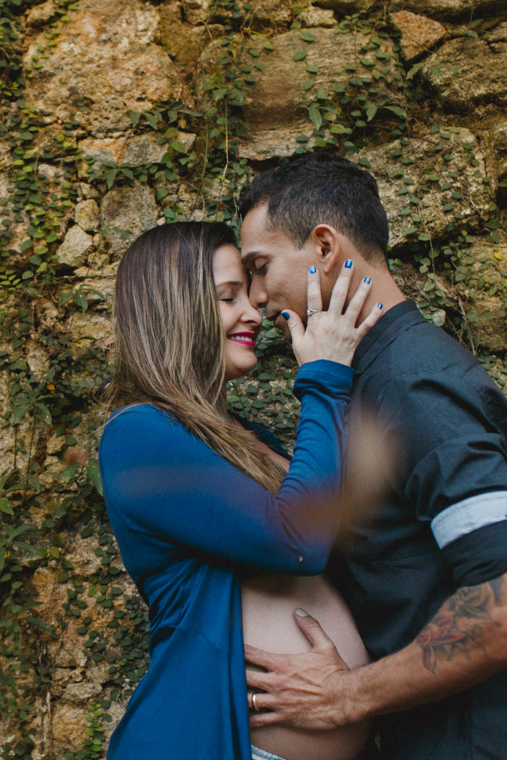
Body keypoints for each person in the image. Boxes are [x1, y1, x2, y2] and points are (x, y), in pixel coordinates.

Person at [237, 153, 507, 758]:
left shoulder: (412, 384)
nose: (257, 297)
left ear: (324, 247)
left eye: (261, 267)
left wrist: (348, 694)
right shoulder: (365, 379)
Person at [97, 220, 383, 760]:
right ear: (174, 310)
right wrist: (323, 375)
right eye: (228, 298)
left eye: (248, 295)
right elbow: (298, 539)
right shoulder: (138, 434)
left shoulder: (246, 439)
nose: (253, 312)